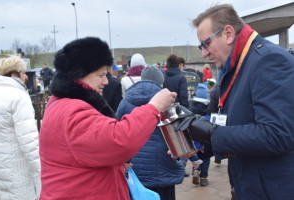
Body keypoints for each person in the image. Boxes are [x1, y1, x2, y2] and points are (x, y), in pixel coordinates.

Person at [39, 37, 177, 200]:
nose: (105, 81)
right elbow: (120, 141)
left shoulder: (62, 103)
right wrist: (154, 107)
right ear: (79, 75)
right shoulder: (72, 111)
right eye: (101, 75)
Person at [183, 4, 294, 199]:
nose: (204, 54)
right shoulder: (239, 64)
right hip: (250, 185)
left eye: (205, 44)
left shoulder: (269, 60)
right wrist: (195, 146)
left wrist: (212, 133)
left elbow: (276, 135)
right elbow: (238, 123)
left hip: (272, 190)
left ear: (228, 33)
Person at [116, 66, 184, 200]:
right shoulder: (168, 102)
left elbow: (117, 131)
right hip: (164, 165)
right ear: (161, 83)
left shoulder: (125, 101)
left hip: (135, 166)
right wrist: (190, 160)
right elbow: (180, 135)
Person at [0, 56, 41, 200]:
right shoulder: (18, 96)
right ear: (14, 74)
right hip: (17, 168)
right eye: (24, 72)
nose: (26, 77)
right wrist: (40, 171)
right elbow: (29, 141)